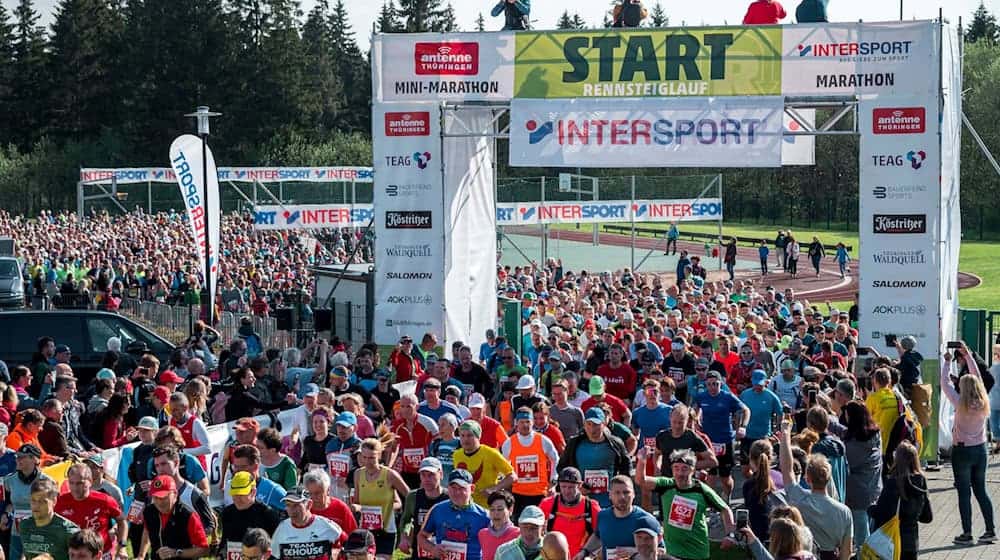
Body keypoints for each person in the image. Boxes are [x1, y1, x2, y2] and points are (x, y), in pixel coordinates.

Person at [636, 448, 736, 560]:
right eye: (676, 468)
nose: (679, 473)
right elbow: (641, 481)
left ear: (692, 470)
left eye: (684, 469)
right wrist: (642, 461)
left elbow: (725, 510)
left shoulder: (701, 490)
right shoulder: (667, 485)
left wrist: (730, 535)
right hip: (671, 552)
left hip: (696, 553)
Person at [941, 349, 995, 545]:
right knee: (981, 490)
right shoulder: (984, 402)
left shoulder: (959, 402)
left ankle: (967, 532)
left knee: (964, 492)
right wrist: (969, 355)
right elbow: (978, 377)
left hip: (962, 451)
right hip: (981, 450)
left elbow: (945, 384)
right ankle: (990, 530)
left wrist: (947, 362)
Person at [777, 419, 852, 560]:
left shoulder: (798, 499)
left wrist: (786, 434)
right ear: (829, 478)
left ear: (807, 478)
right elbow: (846, 553)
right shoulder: (844, 512)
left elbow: (787, 469)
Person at [556, 408, 630, 509]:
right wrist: (575, 485)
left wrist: (619, 489)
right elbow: (561, 468)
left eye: (596, 425)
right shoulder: (574, 443)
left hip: (609, 500)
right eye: (589, 424)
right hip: (582, 499)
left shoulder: (616, 443)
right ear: (584, 425)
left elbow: (626, 468)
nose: (592, 429)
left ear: (603, 424)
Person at [693, 371, 750, 501]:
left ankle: (727, 495)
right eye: (709, 384)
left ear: (721, 384)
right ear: (705, 385)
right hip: (708, 442)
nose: (712, 387)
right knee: (710, 475)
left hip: (725, 441)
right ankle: (711, 502)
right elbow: (694, 411)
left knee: (725, 477)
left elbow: (746, 410)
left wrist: (742, 427)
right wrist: (695, 421)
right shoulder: (701, 397)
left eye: (715, 384)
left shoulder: (727, 397)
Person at [869, 442, 931, 560]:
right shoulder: (921, 481)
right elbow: (927, 517)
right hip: (912, 543)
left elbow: (882, 514)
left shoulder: (893, 483)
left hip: (892, 542)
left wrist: (871, 508)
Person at [353, 438, 410, 558]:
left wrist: (390, 509)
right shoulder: (358, 474)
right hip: (366, 529)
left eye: (372, 458)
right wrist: (354, 507)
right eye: (364, 457)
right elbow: (357, 502)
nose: (368, 462)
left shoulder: (389, 475)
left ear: (379, 456)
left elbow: (409, 496)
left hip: (386, 529)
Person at [54, 463, 127, 559]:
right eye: (71, 483)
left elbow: (122, 521)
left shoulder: (104, 500)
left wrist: (122, 547)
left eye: (80, 483)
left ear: (90, 482)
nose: (75, 488)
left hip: (101, 554)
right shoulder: (60, 502)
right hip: (73, 555)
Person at [574, 476, 656, 560]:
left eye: (626, 492)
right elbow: (597, 536)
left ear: (634, 494)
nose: (622, 497)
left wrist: (635, 552)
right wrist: (584, 552)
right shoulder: (603, 516)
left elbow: (661, 550)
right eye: (617, 493)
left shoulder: (646, 520)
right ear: (610, 495)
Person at [418, 469, 492, 560]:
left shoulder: (484, 516)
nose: (457, 492)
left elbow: (496, 544)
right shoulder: (438, 509)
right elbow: (421, 537)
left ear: (472, 489)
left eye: (462, 488)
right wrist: (432, 548)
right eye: (453, 488)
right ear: (448, 487)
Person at [839, 401, 882, 552]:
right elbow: (843, 431)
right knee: (869, 530)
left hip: (857, 496)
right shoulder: (875, 436)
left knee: (861, 538)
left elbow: (846, 461)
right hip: (874, 490)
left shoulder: (852, 446)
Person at [501, 408, 559, 515]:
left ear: (532, 422)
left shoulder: (543, 440)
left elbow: (555, 459)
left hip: (540, 493)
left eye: (528, 422)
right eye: (522, 422)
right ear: (516, 423)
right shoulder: (509, 443)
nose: (525, 425)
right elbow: (503, 466)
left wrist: (553, 481)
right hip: (518, 493)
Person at [139, 475, 210, 560]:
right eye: (156, 497)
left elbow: (204, 549)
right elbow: (147, 531)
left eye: (164, 497)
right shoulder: (149, 512)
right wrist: (141, 556)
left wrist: (177, 552)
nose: (159, 502)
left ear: (175, 494)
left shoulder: (188, 516)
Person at [4, 444, 54, 560]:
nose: (18, 460)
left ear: (34, 459)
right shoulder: (9, 480)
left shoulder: (46, 481)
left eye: (22, 457)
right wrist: (5, 514)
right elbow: (8, 503)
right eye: (17, 457)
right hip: (17, 532)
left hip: (40, 531)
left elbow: (54, 506)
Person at [539, 467, 600, 559]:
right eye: (563, 486)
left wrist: (588, 553)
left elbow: (602, 534)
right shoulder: (547, 504)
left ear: (580, 485)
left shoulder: (591, 507)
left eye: (571, 487)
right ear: (559, 484)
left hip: (581, 556)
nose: (567, 491)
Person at [271, 487, 346, 560]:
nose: (292, 510)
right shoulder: (282, 528)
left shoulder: (327, 525)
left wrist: (337, 553)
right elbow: (273, 556)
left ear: (309, 505)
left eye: (296, 505)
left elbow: (349, 547)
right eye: (288, 505)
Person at [453, 420, 515, 508]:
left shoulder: (491, 453)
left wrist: (494, 489)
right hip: (465, 506)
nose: (465, 439)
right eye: (462, 435)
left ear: (478, 437)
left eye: (470, 435)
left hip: (487, 507)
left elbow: (512, 476)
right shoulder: (456, 455)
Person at [220, 471, 281, 559]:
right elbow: (224, 542)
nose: (237, 499)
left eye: (241, 494)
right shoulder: (227, 513)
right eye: (234, 494)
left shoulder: (267, 514)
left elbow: (278, 549)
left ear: (253, 492)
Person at [399, 458, 448, 560]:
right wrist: (404, 537)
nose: (427, 479)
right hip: (419, 552)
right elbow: (406, 519)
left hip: (444, 551)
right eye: (423, 475)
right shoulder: (413, 496)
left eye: (431, 475)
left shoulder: (449, 497)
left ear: (441, 474)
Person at [20, 477, 80, 560]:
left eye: (42, 501)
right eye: (33, 500)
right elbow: (26, 553)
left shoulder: (68, 531)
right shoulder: (25, 525)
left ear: (54, 501)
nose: (36, 505)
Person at [392, 394, 440, 490]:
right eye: (402, 406)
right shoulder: (397, 425)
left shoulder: (428, 422)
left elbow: (438, 443)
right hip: (406, 470)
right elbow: (393, 448)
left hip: (425, 471)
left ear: (417, 407)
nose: (405, 410)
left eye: (409, 406)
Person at [303, 469, 358, 535]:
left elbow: (353, 535)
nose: (313, 497)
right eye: (309, 493)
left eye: (317, 493)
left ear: (328, 490)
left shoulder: (341, 508)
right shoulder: (304, 509)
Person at [479, 490, 520, 560]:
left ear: (510, 510)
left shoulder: (519, 534)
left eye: (500, 509)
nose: (496, 513)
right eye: (492, 509)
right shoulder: (482, 534)